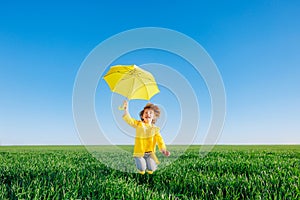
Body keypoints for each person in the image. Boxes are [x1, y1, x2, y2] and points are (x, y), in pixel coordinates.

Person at [122, 100, 170, 175]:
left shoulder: (155, 129)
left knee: (151, 168)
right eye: (146, 112)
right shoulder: (139, 124)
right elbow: (129, 120)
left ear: (154, 117)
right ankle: (141, 172)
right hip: (139, 153)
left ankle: (150, 171)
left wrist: (163, 149)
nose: (148, 114)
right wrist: (126, 109)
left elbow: (160, 140)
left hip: (150, 153)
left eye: (150, 113)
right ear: (142, 116)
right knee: (142, 168)